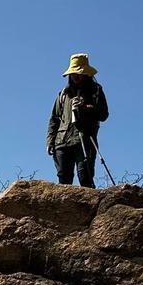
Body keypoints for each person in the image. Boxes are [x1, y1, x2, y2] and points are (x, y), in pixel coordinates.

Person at [47, 53, 109, 188]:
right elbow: (54, 118)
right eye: (73, 74)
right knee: (63, 180)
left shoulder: (95, 91)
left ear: (86, 74)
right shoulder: (64, 94)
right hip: (62, 141)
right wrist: (50, 140)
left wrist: (86, 107)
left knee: (85, 177)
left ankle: (89, 202)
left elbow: (103, 114)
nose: (75, 76)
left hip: (85, 140)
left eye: (78, 73)